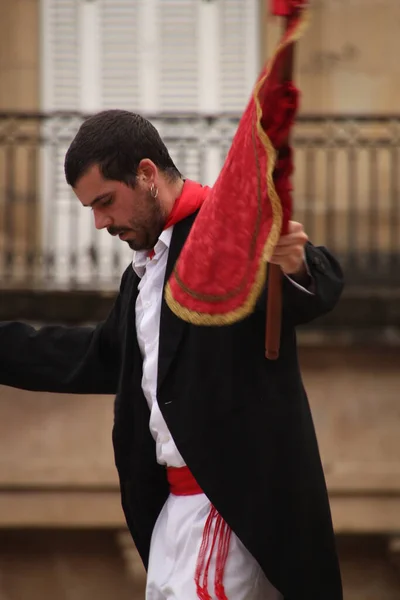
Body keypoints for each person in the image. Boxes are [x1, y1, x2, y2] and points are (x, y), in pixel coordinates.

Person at [0, 110, 344, 600]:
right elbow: (96, 356)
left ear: (145, 174)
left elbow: (315, 284)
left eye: (105, 203)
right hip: (173, 516)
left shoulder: (224, 234)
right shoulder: (141, 276)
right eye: (91, 210)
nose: (100, 223)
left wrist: (298, 266)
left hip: (229, 508)